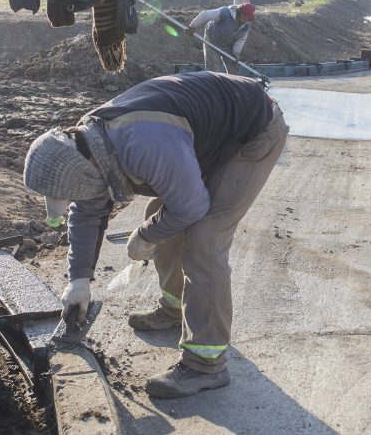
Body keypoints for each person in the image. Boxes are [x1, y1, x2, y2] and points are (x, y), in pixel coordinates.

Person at [22, 71, 288, 398]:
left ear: (86, 168)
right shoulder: (86, 145)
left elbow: (190, 207)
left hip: (252, 132)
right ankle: (175, 308)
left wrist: (145, 237)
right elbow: (87, 208)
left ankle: (206, 363)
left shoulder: (144, 143)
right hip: (208, 135)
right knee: (158, 215)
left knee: (204, 238)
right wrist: (78, 280)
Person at [185, 2, 256, 73]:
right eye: (249, 18)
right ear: (242, 15)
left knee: (233, 68)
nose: (249, 21)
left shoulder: (246, 25)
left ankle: (231, 83)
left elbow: (241, 39)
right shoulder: (225, 13)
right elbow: (205, 15)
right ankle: (213, 82)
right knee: (214, 69)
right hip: (212, 41)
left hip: (228, 45)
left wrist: (236, 52)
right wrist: (192, 27)